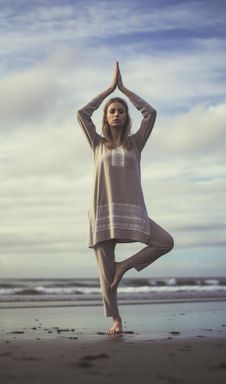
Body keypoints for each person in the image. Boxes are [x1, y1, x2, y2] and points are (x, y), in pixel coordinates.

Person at [77, 62, 174, 335]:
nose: (116, 114)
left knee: (165, 241)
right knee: (106, 277)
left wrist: (125, 89)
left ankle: (125, 265)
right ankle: (116, 320)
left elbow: (151, 113)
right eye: (111, 110)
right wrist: (109, 89)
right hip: (102, 212)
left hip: (132, 211)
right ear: (105, 117)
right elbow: (82, 113)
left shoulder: (136, 142)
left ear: (125, 116)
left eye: (120, 111)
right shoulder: (96, 143)